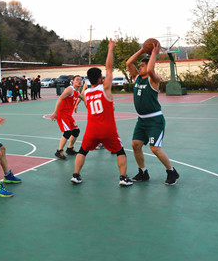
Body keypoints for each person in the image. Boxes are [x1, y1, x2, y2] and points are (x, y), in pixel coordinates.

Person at [70, 39, 133, 186]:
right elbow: (109, 68)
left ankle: (76, 175)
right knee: (120, 152)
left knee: (82, 151)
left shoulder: (87, 93)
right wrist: (110, 48)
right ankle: (123, 178)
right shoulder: (105, 88)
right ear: (100, 78)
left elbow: (90, 106)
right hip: (108, 129)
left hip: (91, 130)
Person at [126, 42, 180, 185]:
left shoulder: (154, 79)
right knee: (135, 145)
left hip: (155, 120)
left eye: (142, 65)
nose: (139, 67)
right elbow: (128, 63)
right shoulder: (136, 78)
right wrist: (142, 50)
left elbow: (150, 69)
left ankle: (171, 171)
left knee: (155, 148)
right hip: (141, 120)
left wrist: (154, 53)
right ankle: (143, 172)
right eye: (139, 66)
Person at [51, 75, 85, 160]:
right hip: (62, 114)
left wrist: (78, 104)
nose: (79, 81)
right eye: (77, 80)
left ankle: (70, 149)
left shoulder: (77, 91)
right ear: (73, 82)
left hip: (68, 115)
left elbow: (81, 97)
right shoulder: (69, 89)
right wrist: (55, 112)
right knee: (67, 132)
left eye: (81, 80)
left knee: (76, 131)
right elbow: (59, 99)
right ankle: (59, 151)